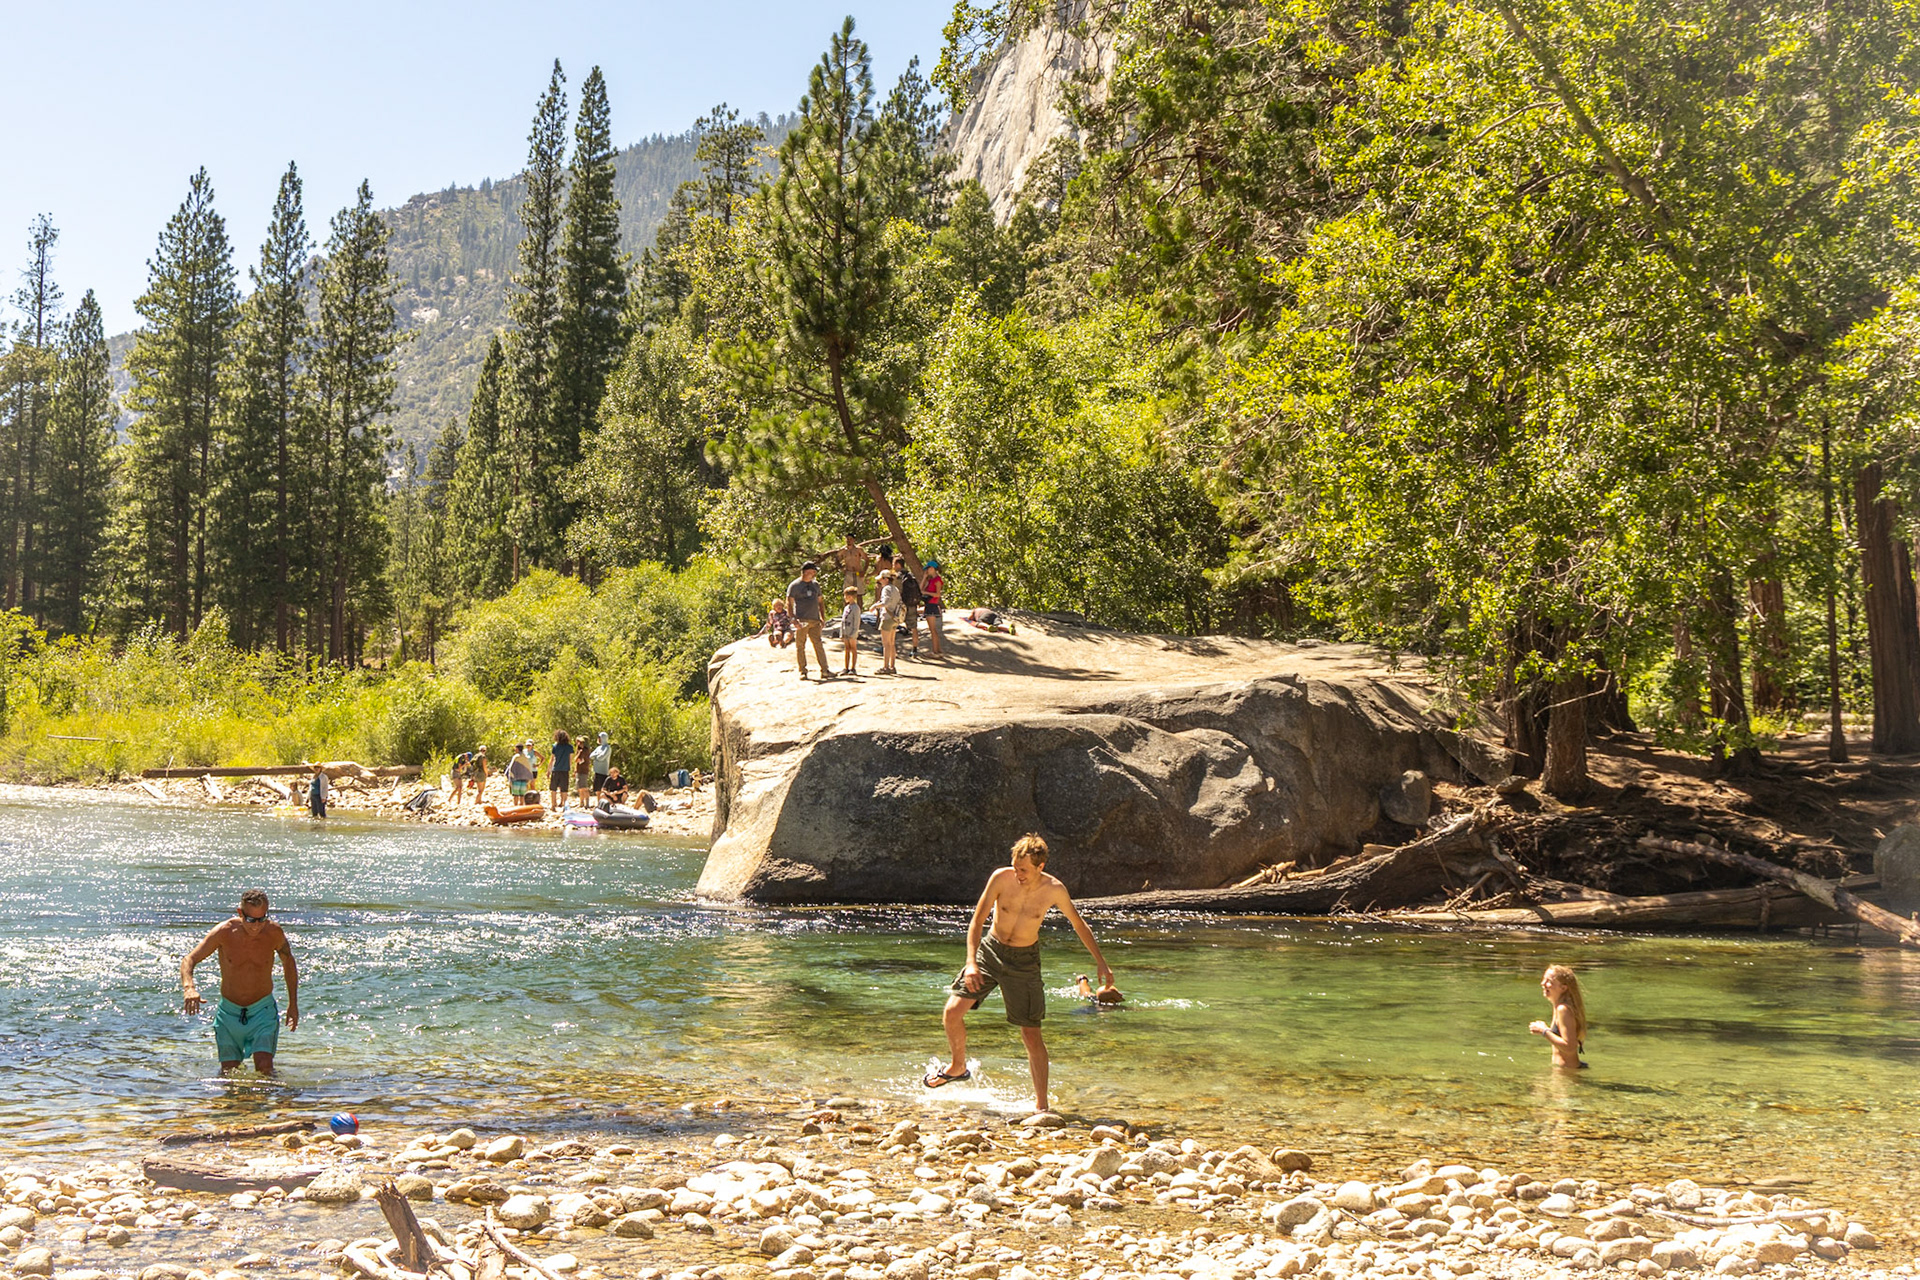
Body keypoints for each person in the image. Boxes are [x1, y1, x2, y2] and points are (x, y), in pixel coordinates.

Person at [926, 833, 1114, 1117]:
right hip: (989, 952)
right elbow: (977, 921)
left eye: (1023, 870)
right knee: (953, 1011)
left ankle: (1042, 1107)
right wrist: (971, 962)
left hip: (1024, 962)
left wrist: (1101, 962)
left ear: (1040, 867)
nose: (1018, 874)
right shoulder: (1001, 878)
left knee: (1031, 1034)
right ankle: (957, 1066)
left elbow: (1078, 924)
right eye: (1015, 867)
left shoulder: (1054, 889)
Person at [180, 889, 299, 1075]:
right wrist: (189, 988)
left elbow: (289, 963)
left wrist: (293, 1004)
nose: (256, 926)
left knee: (265, 1068)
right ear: (240, 913)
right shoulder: (224, 932)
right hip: (229, 1013)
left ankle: (272, 1103)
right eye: (251, 920)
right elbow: (189, 959)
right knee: (229, 1073)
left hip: (262, 1011)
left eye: (262, 919)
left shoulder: (274, 933)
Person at [1529, 964, 1588, 1070]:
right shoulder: (1558, 1007)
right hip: (1565, 1069)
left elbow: (1570, 1046)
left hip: (1567, 1072)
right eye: (1544, 979)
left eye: (1549, 981)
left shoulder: (1563, 1009)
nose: (1543, 984)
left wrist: (1544, 1031)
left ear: (1563, 988)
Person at [786, 560, 832, 680]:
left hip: (814, 619)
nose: (814, 573)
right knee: (800, 645)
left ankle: (825, 670)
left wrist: (822, 617)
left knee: (818, 644)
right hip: (801, 619)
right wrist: (793, 619)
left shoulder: (815, 585)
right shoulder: (794, 586)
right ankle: (803, 671)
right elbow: (789, 603)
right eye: (812, 571)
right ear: (806, 571)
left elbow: (821, 601)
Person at [893, 555, 922, 657]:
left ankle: (891, 649)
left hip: (902, 605)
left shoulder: (898, 577)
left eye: (894, 564)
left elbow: (897, 591)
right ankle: (914, 649)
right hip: (912, 604)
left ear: (897, 564)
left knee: (892, 626)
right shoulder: (911, 575)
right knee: (914, 627)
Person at [876, 570, 902, 675]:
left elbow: (885, 603)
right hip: (895, 618)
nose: (880, 582)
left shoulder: (886, 589)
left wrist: (875, 606)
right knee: (892, 643)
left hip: (887, 617)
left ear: (886, 579)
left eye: (881, 579)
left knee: (886, 643)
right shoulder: (895, 589)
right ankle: (892, 666)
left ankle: (885, 667)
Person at [921, 557, 944, 657]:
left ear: (932, 568)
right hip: (929, 604)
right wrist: (924, 578)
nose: (927, 571)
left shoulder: (937, 580)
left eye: (928, 569)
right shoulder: (931, 580)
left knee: (932, 629)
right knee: (933, 629)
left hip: (932, 604)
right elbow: (920, 588)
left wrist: (926, 592)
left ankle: (935, 651)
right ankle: (938, 650)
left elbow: (938, 594)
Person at [839, 586, 863, 676]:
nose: (845, 598)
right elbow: (843, 621)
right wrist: (841, 633)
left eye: (846, 596)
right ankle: (846, 667)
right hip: (845, 631)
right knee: (847, 649)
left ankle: (853, 668)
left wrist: (854, 633)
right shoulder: (847, 607)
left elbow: (856, 622)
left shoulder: (856, 608)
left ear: (851, 596)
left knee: (853, 649)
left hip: (852, 632)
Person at [590, 731, 613, 796]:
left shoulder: (608, 748)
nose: (598, 739)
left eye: (599, 738)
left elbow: (601, 757)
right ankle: (598, 803)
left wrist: (596, 757)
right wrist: (597, 755)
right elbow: (591, 756)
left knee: (603, 789)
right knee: (597, 790)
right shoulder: (598, 748)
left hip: (603, 772)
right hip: (596, 771)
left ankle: (603, 803)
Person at [575, 733, 593, 807]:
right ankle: (582, 803)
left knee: (583, 787)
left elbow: (576, 760)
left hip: (582, 771)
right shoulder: (585, 750)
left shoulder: (582, 751)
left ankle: (586, 803)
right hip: (581, 770)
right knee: (581, 788)